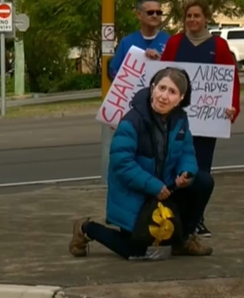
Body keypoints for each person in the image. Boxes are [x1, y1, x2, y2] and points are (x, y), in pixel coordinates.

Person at [69, 68, 214, 259]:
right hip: (135, 192)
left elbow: (187, 152)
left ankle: (183, 240)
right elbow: (122, 164)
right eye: (161, 88)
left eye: (172, 92)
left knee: (203, 182)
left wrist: (186, 172)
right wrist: (154, 187)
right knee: (134, 251)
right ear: (152, 88)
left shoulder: (180, 119)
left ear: (180, 98)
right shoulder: (132, 121)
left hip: (167, 187)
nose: (164, 96)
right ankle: (86, 228)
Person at [160, 0, 240, 238]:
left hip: (207, 122)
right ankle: (174, 218)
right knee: (174, 169)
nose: (193, 20)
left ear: (206, 18)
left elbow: (232, 80)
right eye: (189, 16)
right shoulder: (175, 43)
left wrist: (232, 107)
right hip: (177, 121)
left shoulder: (220, 46)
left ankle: (197, 219)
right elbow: (162, 75)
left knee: (201, 172)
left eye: (197, 16)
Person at [108, 0, 170, 78]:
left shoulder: (170, 41)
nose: (155, 15)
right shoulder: (126, 42)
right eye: (150, 12)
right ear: (139, 15)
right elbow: (113, 71)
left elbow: (176, 72)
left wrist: (160, 61)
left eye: (158, 13)